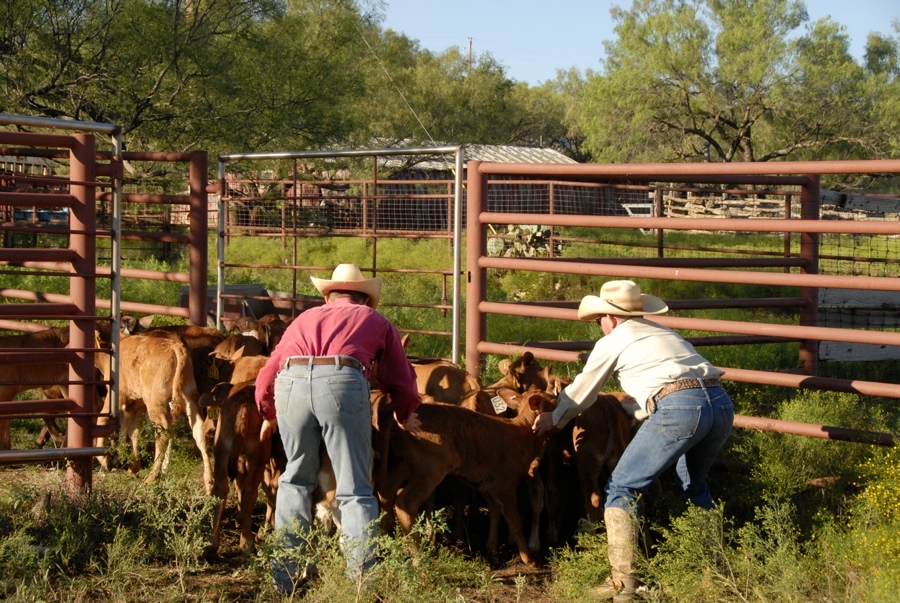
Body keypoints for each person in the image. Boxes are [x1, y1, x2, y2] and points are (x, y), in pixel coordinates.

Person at [532, 280, 734, 602]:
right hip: (720, 404)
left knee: (621, 487)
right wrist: (636, 409)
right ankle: (715, 571)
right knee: (694, 486)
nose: (600, 325)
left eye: (600, 319)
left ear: (610, 318)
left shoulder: (614, 340)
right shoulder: (663, 332)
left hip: (681, 409)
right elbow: (670, 383)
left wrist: (554, 418)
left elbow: (583, 391)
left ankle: (624, 585)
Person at [255, 263, 422, 593]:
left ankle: (283, 580)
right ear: (364, 298)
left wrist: (267, 412)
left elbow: (268, 370)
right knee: (355, 487)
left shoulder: (302, 320)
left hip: (291, 383)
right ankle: (361, 581)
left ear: (329, 295)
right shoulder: (373, 320)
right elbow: (398, 375)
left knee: (294, 480)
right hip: (342, 381)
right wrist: (406, 413)